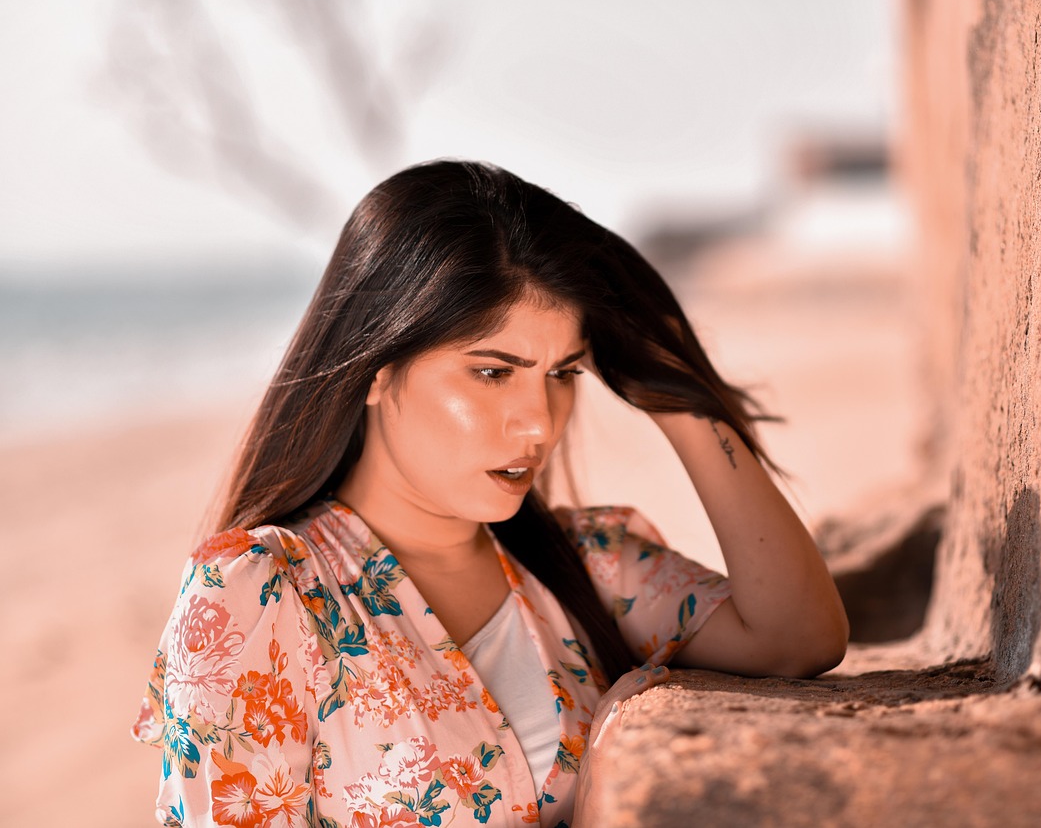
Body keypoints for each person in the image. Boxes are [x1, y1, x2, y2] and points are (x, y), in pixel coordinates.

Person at [131, 159, 849, 827]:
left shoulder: (584, 565)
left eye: (563, 373)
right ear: (377, 368)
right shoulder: (260, 596)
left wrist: (680, 397)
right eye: (493, 372)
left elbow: (798, 637)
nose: (538, 422)